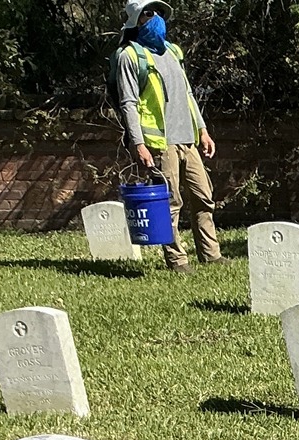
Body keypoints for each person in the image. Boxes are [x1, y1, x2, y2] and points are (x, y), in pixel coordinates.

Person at [111, 0, 219, 270]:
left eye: (159, 12)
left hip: (187, 139)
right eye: (149, 13)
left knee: (203, 196)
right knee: (171, 202)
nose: (156, 17)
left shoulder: (173, 51)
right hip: (159, 142)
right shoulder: (130, 56)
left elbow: (188, 94)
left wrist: (203, 130)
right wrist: (138, 143)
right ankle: (177, 259)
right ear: (137, 20)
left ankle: (211, 254)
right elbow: (129, 103)